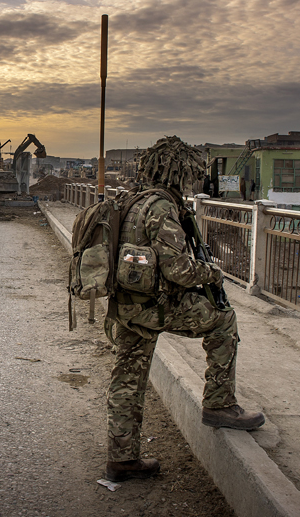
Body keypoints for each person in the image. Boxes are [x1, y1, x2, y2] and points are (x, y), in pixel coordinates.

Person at [104, 136, 265, 482]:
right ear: (180, 173)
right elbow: (176, 269)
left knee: (127, 379)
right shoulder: (162, 208)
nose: (192, 180)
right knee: (223, 321)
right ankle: (220, 404)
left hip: (128, 306)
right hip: (154, 307)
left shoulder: (134, 200)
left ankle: (121, 458)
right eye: (190, 174)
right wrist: (214, 272)